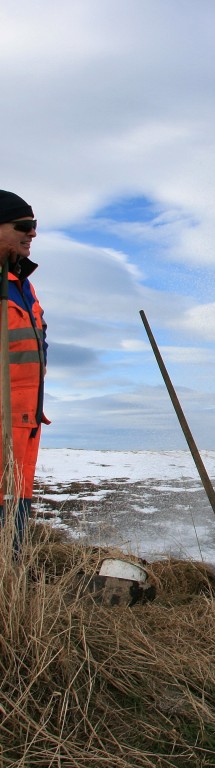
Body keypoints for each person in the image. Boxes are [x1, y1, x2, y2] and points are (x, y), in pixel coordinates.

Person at [0, 190, 48, 549]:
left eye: (34, 227)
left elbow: (37, 335)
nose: (32, 233)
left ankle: (10, 595)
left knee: (12, 538)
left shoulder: (22, 284)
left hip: (22, 430)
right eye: (24, 225)